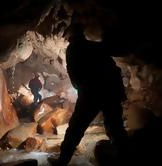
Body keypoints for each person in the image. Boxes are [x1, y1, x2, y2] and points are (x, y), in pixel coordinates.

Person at [48, 21, 128, 165]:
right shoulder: (96, 46)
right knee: (115, 126)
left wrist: (80, 89)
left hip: (91, 93)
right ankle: (126, 156)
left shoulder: (73, 49)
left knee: (76, 128)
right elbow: (114, 64)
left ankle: (62, 161)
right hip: (110, 91)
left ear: (71, 37)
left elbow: (73, 75)